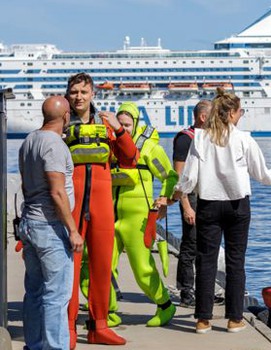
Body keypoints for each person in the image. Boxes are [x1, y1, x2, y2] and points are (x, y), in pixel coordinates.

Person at [173, 88, 271, 334]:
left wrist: (177, 196)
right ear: (231, 113)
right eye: (241, 111)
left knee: (206, 261)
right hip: (237, 205)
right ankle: (234, 318)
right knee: (236, 261)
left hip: (208, 205)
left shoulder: (200, 138)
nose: (242, 115)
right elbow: (262, 174)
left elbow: (189, 178)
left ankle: (202, 319)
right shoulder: (244, 139)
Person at [80, 102, 178, 326]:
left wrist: (164, 200)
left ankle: (165, 305)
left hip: (138, 218)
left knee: (142, 269)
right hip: (109, 215)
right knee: (97, 265)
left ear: (134, 125)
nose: (121, 128)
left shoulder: (149, 149)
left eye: (126, 124)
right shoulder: (109, 146)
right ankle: (108, 311)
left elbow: (170, 176)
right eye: (118, 124)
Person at [64, 72, 136, 348]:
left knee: (103, 265)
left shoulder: (107, 123)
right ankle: (68, 326)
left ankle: (99, 326)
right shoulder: (61, 122)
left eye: (83, 92)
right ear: (68, 95)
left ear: (93, 93)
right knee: (69, 266)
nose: (79, 97)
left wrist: (119, 129)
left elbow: (130, 159)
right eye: (74, 92)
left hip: (102, 202)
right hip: (72, 202)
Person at [18, 96, 84, 350]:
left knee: (34, 293)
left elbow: (25, 184)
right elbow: (57, 192)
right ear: (66, 116)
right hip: (49, 227)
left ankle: (34, 345)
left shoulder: (30, 140)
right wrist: (73, 230)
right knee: (57, 296)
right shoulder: (54, 145)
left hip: (30, 223)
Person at [173, 100, 211, 307]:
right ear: (203, 117)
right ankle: (186, 290)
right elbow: (179, 178)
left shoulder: (208, 138)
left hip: (209, 195)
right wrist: (186, 206)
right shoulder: (185, 139)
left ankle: (202, 289)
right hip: (192, 196)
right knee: (191, 244)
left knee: (207, 245)